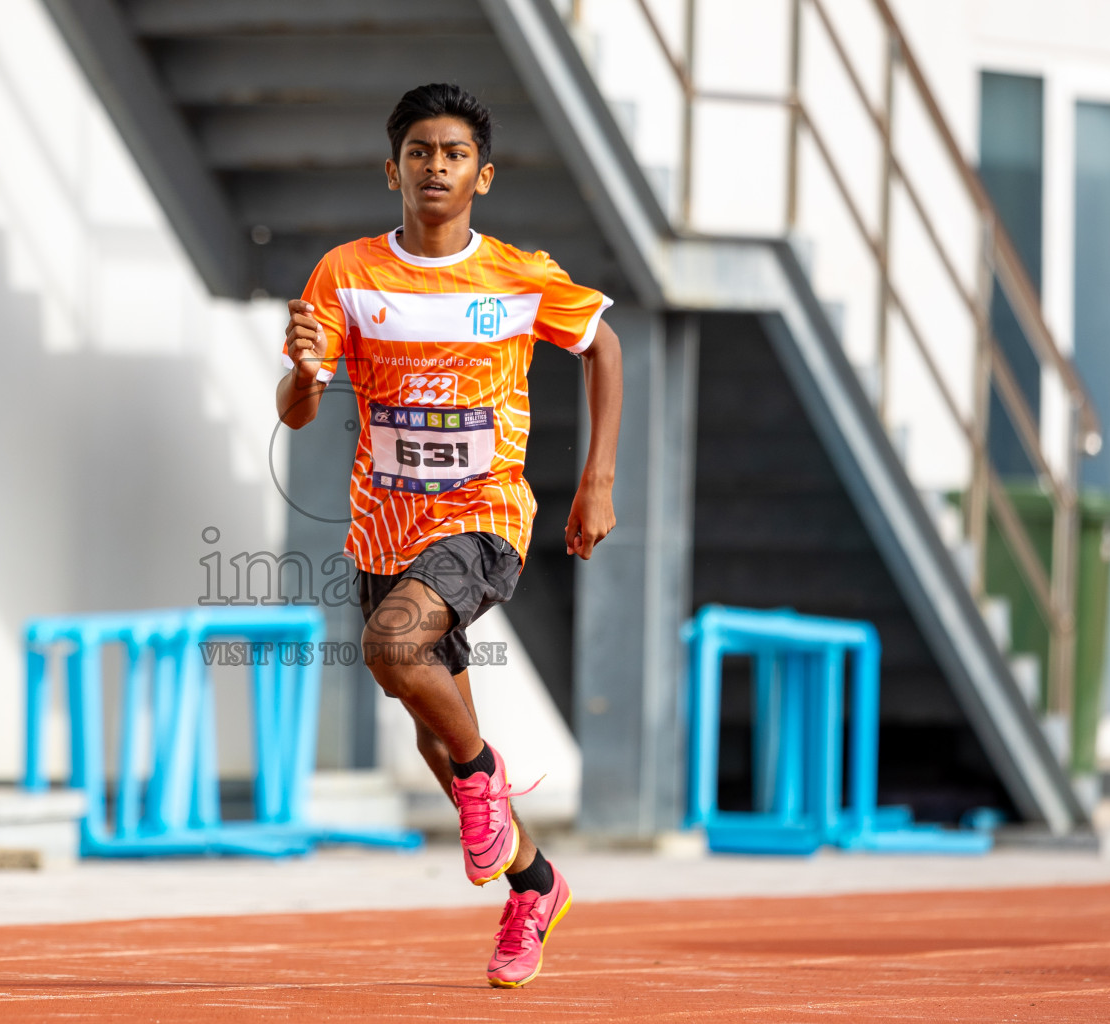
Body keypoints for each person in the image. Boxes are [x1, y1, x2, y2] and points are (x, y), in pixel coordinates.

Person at [274, 82, 623, 989]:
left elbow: (604, 348)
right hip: (384, 523)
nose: (437, 166)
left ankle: (484, 783)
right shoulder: (346, 274)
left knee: (396, 648)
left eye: (455, 153)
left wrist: (597, 480)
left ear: (484, 175)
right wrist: (308, 372)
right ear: (394, 170)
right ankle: (534, 883)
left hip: (485, 515)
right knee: (431, 724)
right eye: (421, 152)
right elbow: (299, 410)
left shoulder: (516, 274)